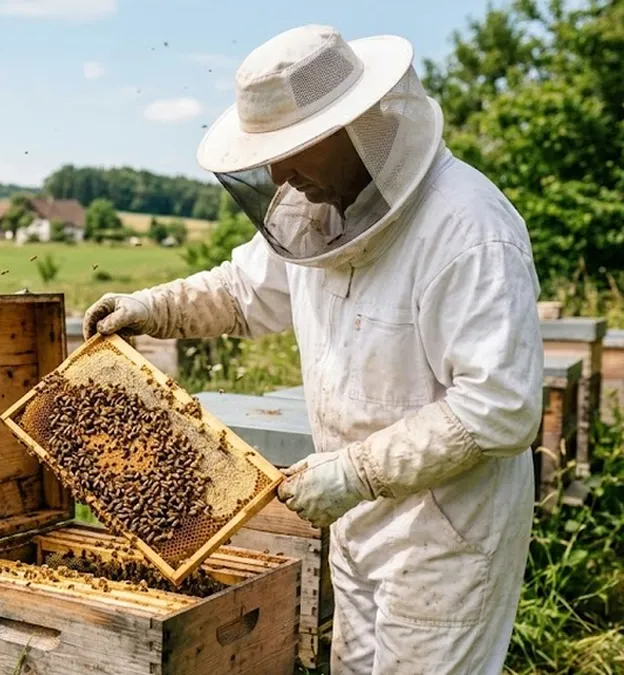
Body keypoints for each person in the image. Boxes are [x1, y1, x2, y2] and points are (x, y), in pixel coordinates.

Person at [84, 24, 542, 674]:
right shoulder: (312, 211)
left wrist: (354, 472)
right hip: (359, 524)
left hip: (446, 536)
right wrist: (150, 306)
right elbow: (243, 291)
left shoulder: (469, 229)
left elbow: (500, 408)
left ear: (355, 125)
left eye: (293, 149)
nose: (278, 173)